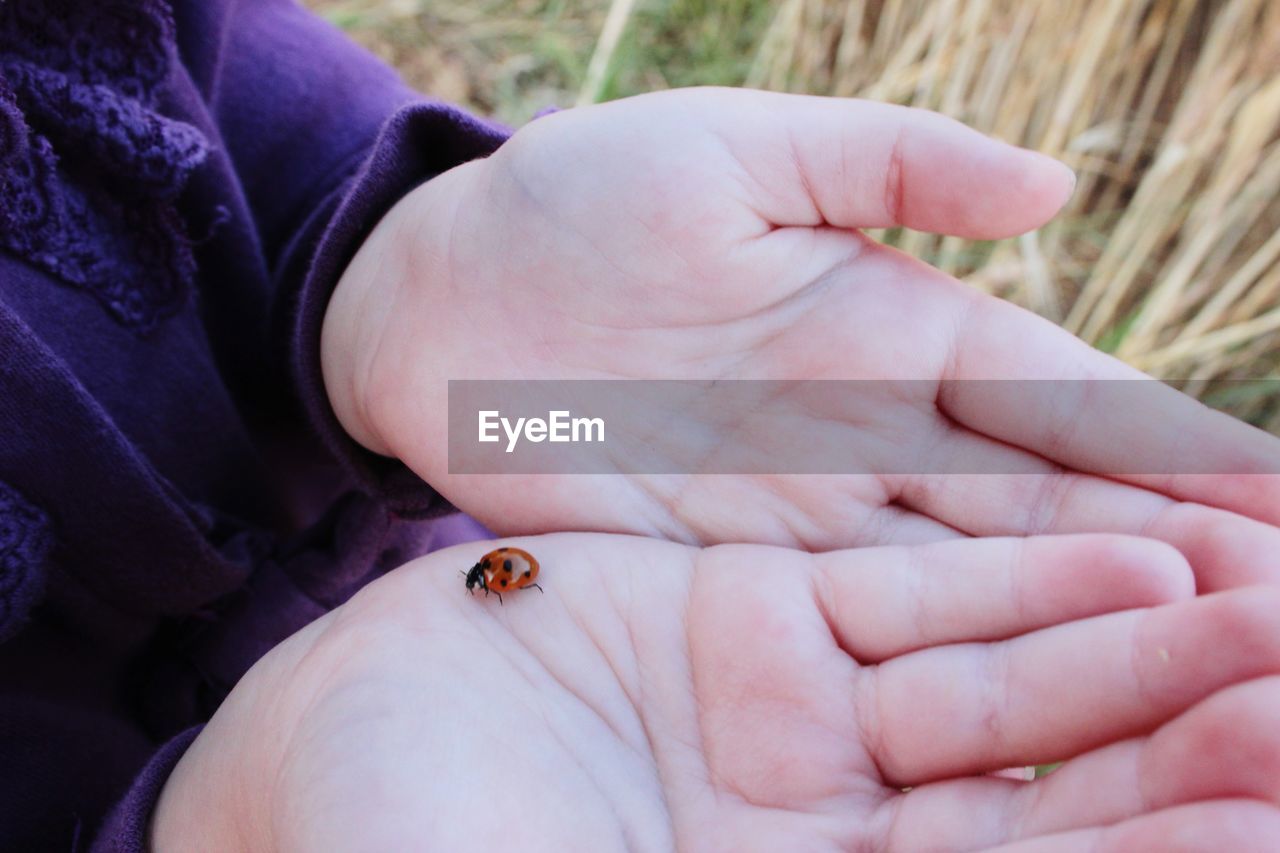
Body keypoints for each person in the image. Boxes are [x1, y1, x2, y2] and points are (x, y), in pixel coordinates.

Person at [0, 1, 1277, 849]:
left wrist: (392, 268)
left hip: (500, 545)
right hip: (481, 711)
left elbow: (189, 79)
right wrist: (216, 821)